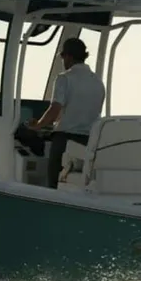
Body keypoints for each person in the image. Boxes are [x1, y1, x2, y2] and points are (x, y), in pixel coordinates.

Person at [27, 37, 105, 188]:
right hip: (89, 143)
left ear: (68, 56)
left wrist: (37, 125)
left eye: (62, 57)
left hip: (65, 141)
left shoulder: (64, 78)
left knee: (54, 185)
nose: (62, 60)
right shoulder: (98, 82)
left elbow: (55, 109)